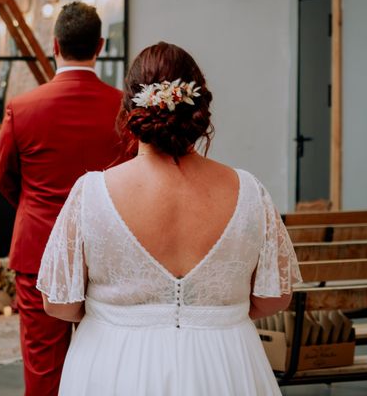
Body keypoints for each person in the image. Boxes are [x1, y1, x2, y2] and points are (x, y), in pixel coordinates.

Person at [37, 42, 303, 395]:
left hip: (115, 365)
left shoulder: (91, 193)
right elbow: (274, 298)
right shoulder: (250, 191)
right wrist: (213, 316)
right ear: (199, 108)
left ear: (130, 109)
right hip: (225, 364)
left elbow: (59, 304)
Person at [0, 2, 128, 396]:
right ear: (100, 46)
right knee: (108, 360)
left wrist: (36, 206)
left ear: (54, 45)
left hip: (39, 250)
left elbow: (5, 180)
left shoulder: (22, 108)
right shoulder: (123, 108)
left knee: (43, 368)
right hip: (108, 252)